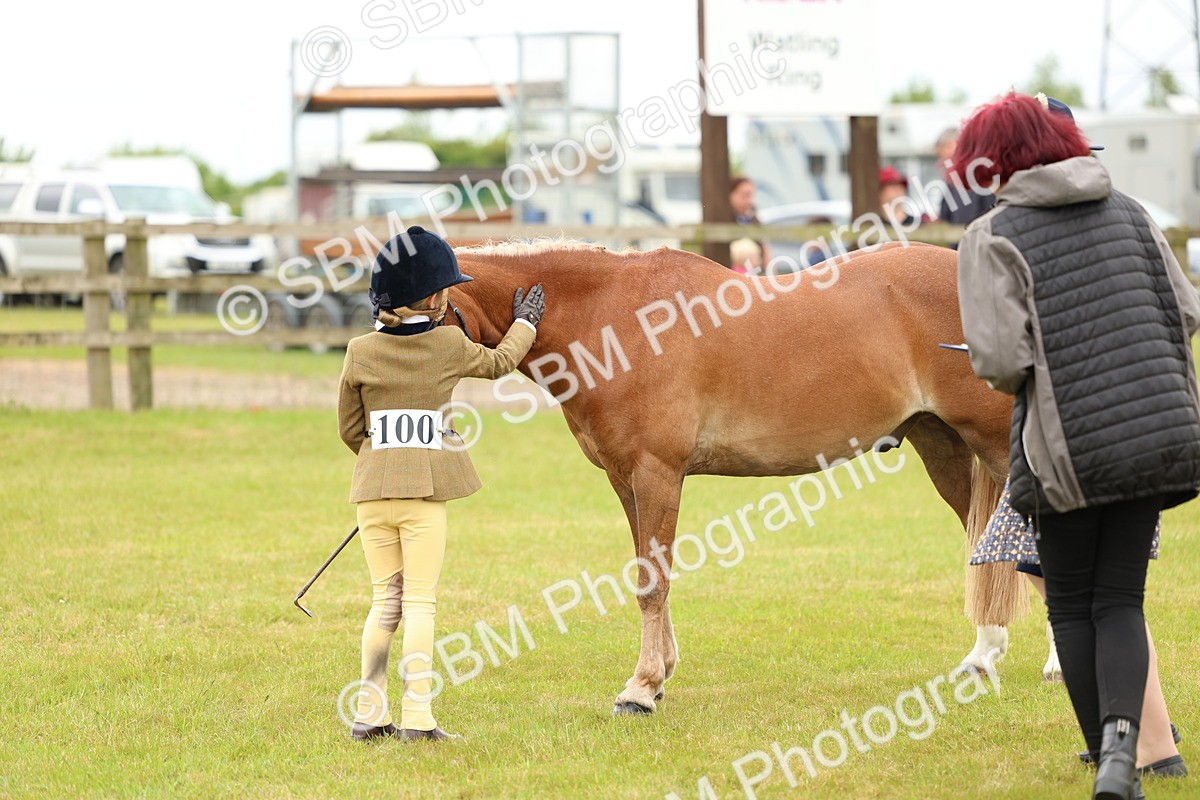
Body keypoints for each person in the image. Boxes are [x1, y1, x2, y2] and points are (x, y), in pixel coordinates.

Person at [954, 91, 1200, 800]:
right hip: (1157, 432)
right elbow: (1186, 311)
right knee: (1120, 599)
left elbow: (1001, 362)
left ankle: (1108, 756)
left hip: (1065, 448)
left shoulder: (992, 235)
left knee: (1070, 605)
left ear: (995, 161)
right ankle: (1127, 748)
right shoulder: (1132, 212)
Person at [337, 225, 546, 742]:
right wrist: (524, 323)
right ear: (432, 299)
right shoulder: (449, 343)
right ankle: (418, 720)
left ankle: (369, 713)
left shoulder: (359, 350)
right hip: (423, 497)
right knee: (420, 603)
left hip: (372, 496)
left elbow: (350, 429)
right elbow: (500, 363)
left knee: (385, 602)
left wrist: (383, 460)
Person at [971, 482, 1187, 779]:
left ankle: (1148, 740)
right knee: (1105, 595)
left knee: (1099, 600)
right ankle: (1146, 728)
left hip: (1072, 466)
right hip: (1124, 464)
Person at [933, 127, 995, 224]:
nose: (940, 163)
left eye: (941, 156)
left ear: (951, 146)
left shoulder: (970, 177)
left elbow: (963, 220)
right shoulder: (956, 180)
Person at [730, 175, 771, 263]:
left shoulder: (754, 218)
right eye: (744, 195)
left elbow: (764, 247)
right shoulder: (722, 218)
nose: (748, 201)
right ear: (731, 194)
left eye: (750, 195)